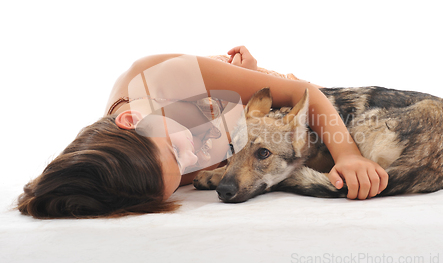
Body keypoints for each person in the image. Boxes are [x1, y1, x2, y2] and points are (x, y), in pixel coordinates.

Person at [17, 46, 388, 219]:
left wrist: (348, 154)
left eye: (179, 154)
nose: (194, 161)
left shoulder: (162, 77)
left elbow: (303, 94)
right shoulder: (147, 169)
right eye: (182, 175)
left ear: (131, 120)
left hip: (279, 102)